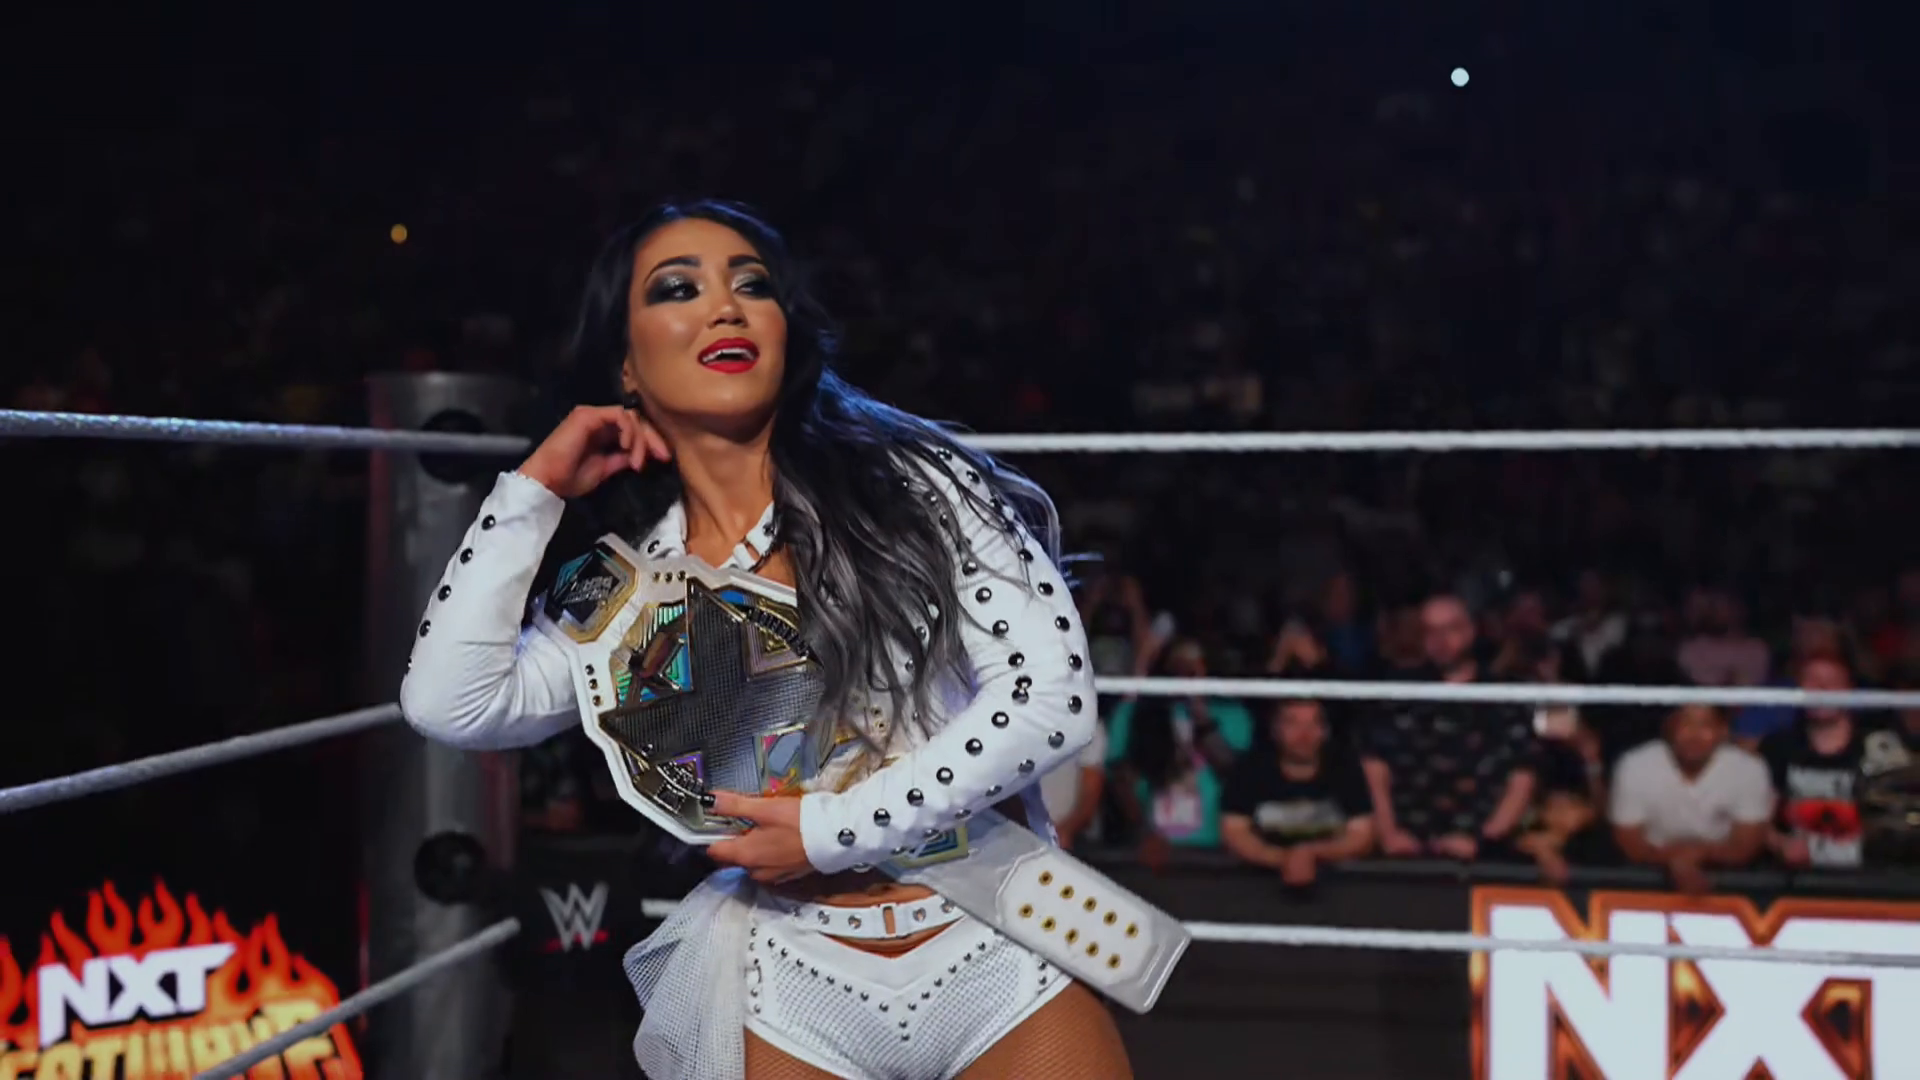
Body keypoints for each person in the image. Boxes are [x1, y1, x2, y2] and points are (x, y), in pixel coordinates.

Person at [399, 201, 1126, 1080]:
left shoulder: (914, 484)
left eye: (752, 286)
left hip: (996, 944)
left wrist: (832, 830)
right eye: (678, 289)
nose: (725, 307)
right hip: (795, 975)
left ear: (786, 329)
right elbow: (450, 704)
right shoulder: (623, 592)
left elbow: (1052, 702)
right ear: (626, 364)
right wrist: (531, 491)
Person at [1609, 704, 1774, 894]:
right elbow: (1630, 844)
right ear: (1669, 727)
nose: (1695, 736)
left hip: (1727, 873)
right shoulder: (1635, 765)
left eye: (1705, 726)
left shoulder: (1749, 769)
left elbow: (1746, 845)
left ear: (1723, 731)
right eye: (1686, 725)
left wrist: (1697, 854)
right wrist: (1675, 861)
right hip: (1648, 871)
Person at [1219, 699, 1374, 887]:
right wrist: (1283, 860)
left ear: (1325, 731)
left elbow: (1362, 834)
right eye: (1292, 724)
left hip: (1337, 886)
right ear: (1275, 730)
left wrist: (1312, 854)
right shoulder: (1250, 768)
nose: (1304, 735)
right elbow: (1234, 832)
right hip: (1258, 885)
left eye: (1313, 724)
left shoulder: (1344, 768)